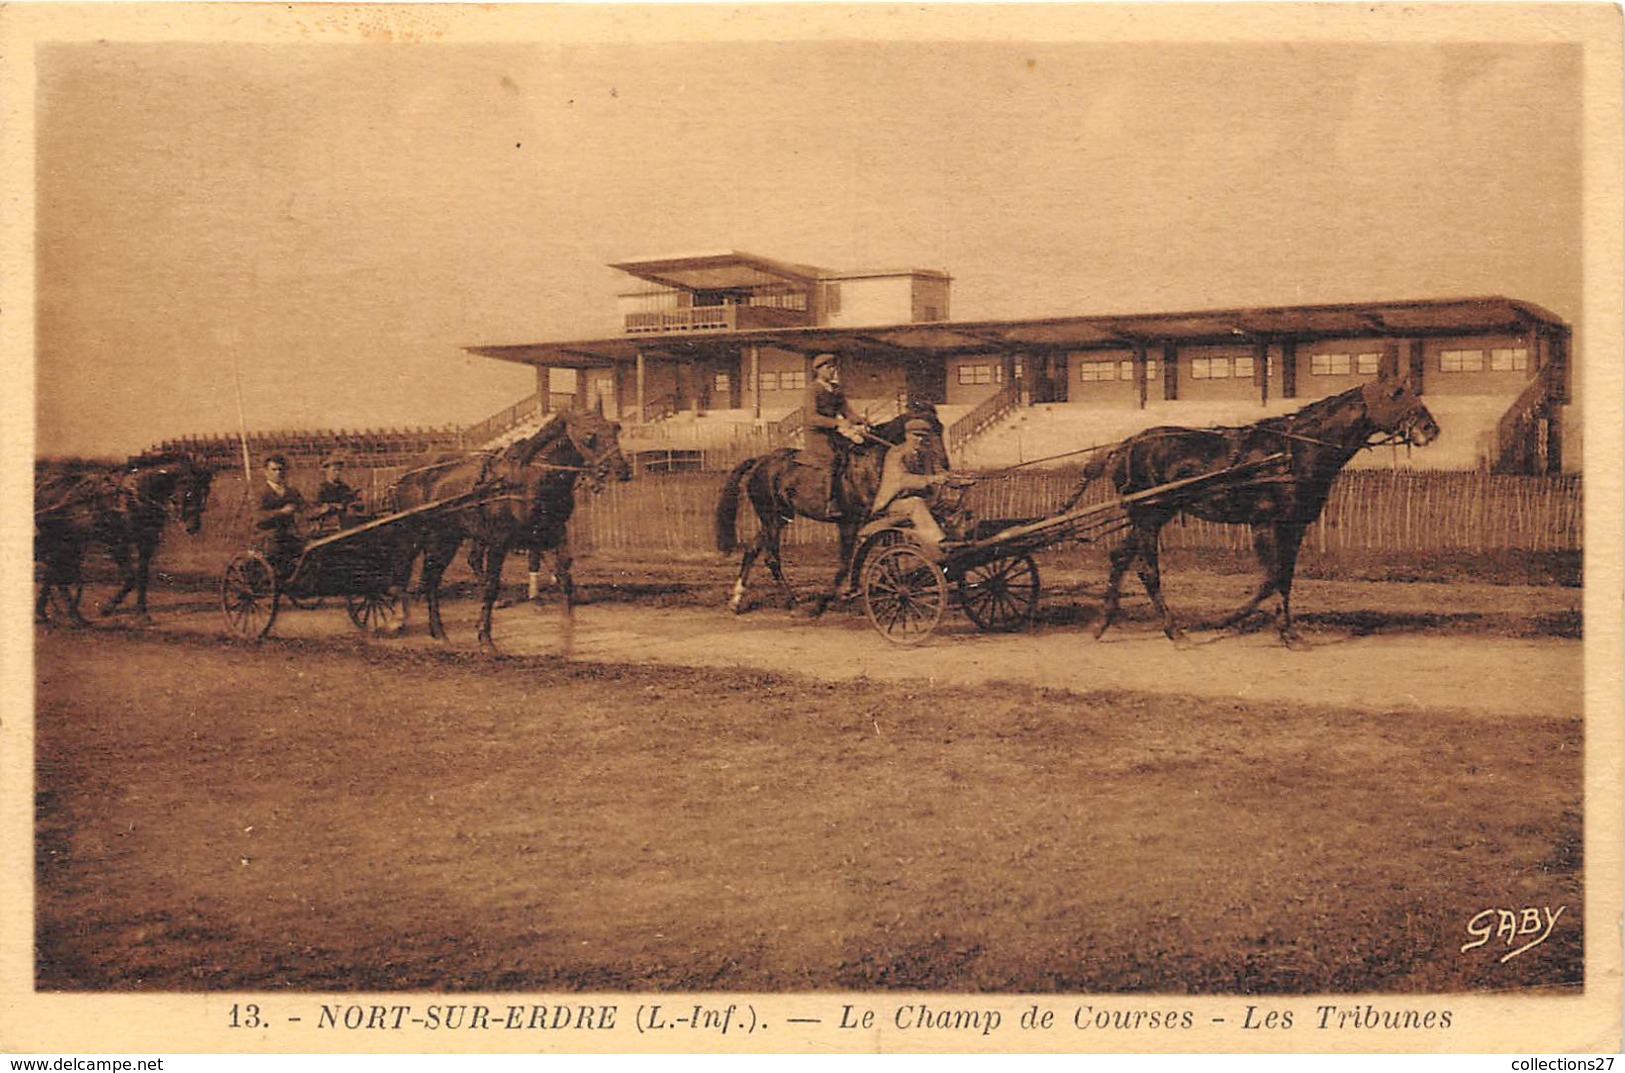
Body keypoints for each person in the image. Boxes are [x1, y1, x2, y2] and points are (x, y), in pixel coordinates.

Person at [870, 416, 950, 560]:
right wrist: (930, 479)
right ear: (907, 435)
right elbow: (902, 479)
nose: (919, 440)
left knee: (950, 506)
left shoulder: (928, 454)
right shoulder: (895, 454)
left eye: (924, 436)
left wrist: (955, 480)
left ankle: (955, 544)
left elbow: (940, 473)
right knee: (916, 502)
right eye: (916, 435)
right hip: (894, 504)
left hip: (922, 502)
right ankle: (938, 542)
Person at [801, 352, 867, 518]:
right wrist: (837, 423)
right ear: (818, 370)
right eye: (829, 367)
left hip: (833, 433)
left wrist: (860, 420)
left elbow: (846, 412)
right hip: (816, 434)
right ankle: (830, 502)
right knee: (832, 459)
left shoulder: (836, 390)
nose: (832, 371)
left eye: (834, 367)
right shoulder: (812, 390)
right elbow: (812, 417)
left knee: (855, 453)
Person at [255, 454, 306, 576]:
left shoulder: (292, 491)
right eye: (274, 469)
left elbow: (305, 509)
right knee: (278, 547)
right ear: (265, 471)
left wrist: (324, 509)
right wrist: (280, 512)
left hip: (291, 534)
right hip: (268, 536)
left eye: (281, 469)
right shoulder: (260, 492)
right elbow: (257, 518)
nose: (278, 473)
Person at [311, 454, 362, 533]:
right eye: (334, 470)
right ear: (327, 471)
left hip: (345, 524)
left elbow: (350, 503)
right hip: (328, 526)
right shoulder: (321, 489)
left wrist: (355, 502)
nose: (337, 473)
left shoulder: (344, 488)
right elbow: (314, 510)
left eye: (339, 470)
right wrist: (331, 507)